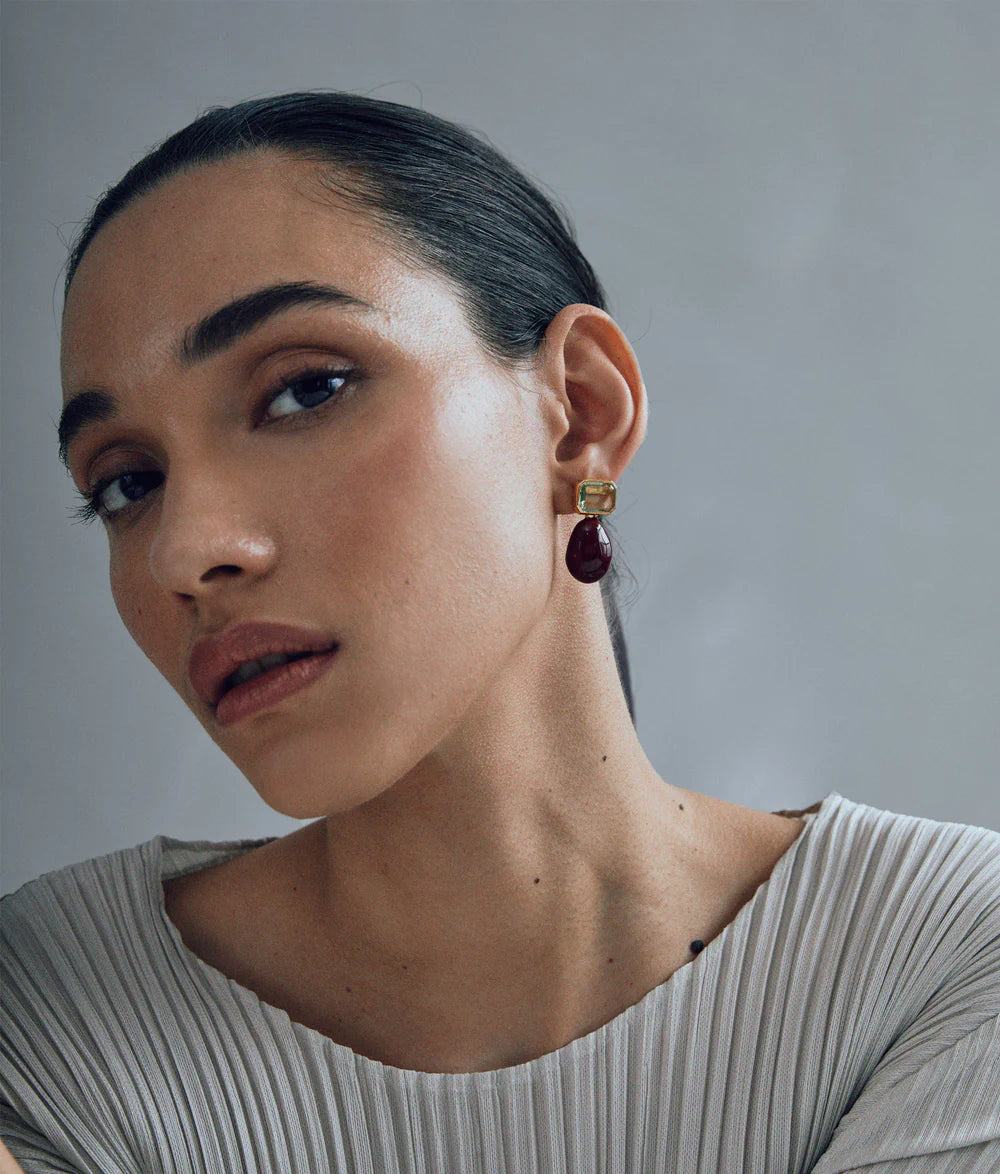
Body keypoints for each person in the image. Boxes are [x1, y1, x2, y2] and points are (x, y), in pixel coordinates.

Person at [1, 92, 997, 1174]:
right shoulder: (39, 1016)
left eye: (305, 390)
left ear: (578, 412)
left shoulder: (944, 961)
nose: (184, 551)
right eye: (125, 482)